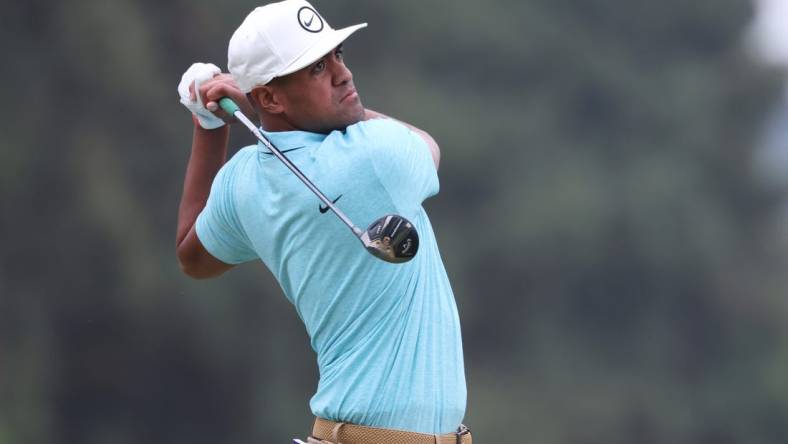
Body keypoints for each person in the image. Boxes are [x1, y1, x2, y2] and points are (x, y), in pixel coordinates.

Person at [175, 1, 471, 442]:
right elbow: (427, 145)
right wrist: (251, 106)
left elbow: (193, 257)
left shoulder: (242, 182)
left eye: (338, 55)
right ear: (270, 97)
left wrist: (208, 123)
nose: (342, 74)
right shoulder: (374, 155)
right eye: (316, 68)